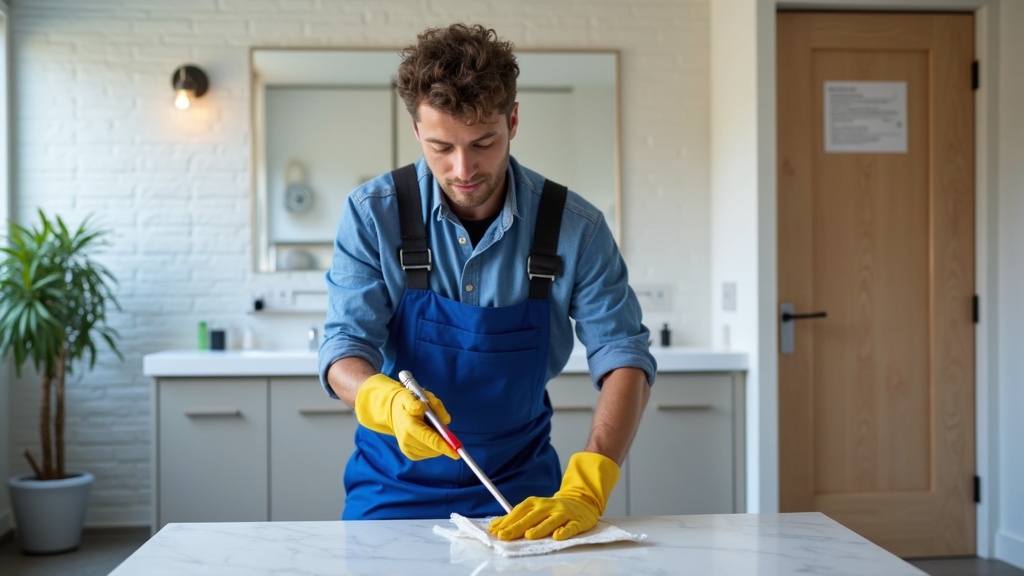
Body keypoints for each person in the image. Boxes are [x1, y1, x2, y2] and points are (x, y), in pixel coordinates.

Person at [318, 22, 656, 542]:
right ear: (416, 130)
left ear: (513, 120)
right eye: (440, 147)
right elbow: (343, 348)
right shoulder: (372, 215)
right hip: (391, 489)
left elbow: (624, 356)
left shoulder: (575, 228)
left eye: (483, 143)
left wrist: (587, 485)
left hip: (523, 495)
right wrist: (382, 400)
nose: (463, 169)